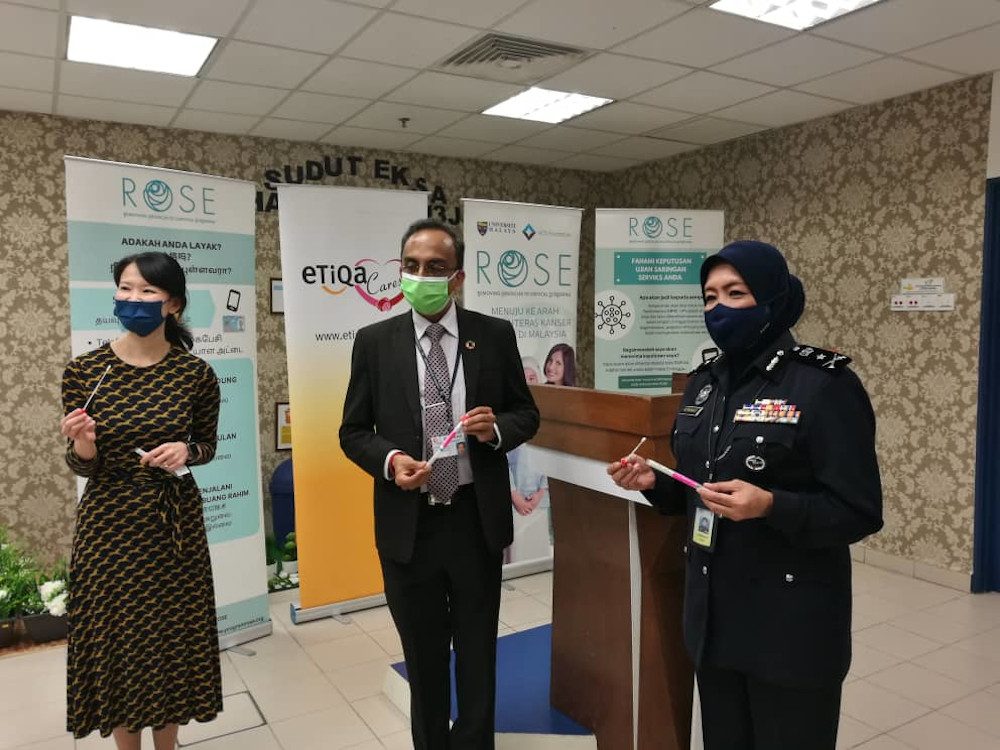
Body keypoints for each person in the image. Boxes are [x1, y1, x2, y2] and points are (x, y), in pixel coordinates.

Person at [608, 240, 882, 750]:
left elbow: (859, 510)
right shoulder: (703, 384)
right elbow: (700, 486)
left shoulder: (823, 385)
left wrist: (772, 505)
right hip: (715, 618)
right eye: (709, 297)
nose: (718, 308)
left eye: (735, 293)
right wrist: (657, 483)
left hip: (790, 627)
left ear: (774, 299)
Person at [340, 218, 540, 750]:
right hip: (411, 524)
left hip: (475, 519)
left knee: (477, 650)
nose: (420, 276)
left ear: (457, 277)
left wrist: (497, 428)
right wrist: (391, 461)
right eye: (411, 266)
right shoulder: (374, 342)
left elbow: (527, 414)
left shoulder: (492, 335)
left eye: (434, 267)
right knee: (424, 655)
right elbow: (353, 431)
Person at [59, 252, 222, 748]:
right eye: (125, 289)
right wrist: (83, 443)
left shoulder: (196, 375)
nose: (133, 299)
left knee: (168, 644)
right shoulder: (85, 372)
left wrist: (185, 450)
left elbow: (207, 446)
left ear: (172, 304)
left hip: (172, 529)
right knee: (120, 646)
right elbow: (82, 465)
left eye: (147, 291)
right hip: (109, 527)